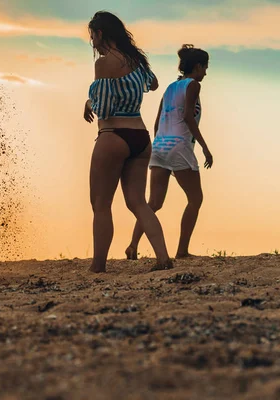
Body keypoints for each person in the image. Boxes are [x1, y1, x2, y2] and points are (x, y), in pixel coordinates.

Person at [84, 11, 173, 273]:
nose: (93, 43)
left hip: (113, 135)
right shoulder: (137, 60)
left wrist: (90, 101)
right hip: (140, 137)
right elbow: (154, 84)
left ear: (100, 33)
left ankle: (98, 265)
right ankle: (163, 257)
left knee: (101, 205)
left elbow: (105, 107)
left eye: (93, 36)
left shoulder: (103, 63)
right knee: (138, 202)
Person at [125, 44, 212, 260]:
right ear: (198, 66)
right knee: (196, 198)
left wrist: (158, 144)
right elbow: (188, 118)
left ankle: (132, 246)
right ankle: (182, 251)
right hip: (179, 146)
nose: (206, 73)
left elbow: (157, 121)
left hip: (160, 146)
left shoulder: (170, 87)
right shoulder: (192, 85)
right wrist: (204, 146)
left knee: (153, 203)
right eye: (205, 68)